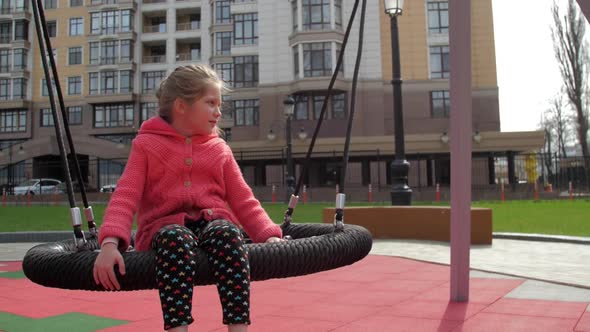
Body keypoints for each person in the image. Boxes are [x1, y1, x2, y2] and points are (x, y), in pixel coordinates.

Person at [93, 64, 284, 332]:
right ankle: (178, 328)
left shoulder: (219, 149)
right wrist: (110, 243)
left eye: (219, 104)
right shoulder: (147, 145)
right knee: (175, 238)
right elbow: (126, 195)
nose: (218, 112)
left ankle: (239, 327)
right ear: (182, 106)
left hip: (211, 224)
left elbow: (243, 199)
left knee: (228, 233)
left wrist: (267, 234)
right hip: (164, 228)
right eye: (210, 103)